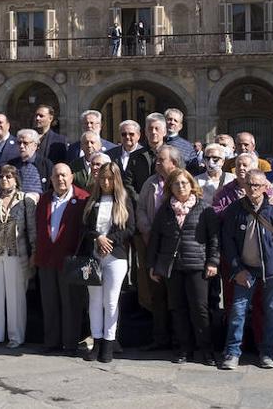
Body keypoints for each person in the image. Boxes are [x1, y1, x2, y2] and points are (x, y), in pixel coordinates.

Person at [220, 169, 273, 370]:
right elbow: (227, 242)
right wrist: (237, 269)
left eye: (257, 185)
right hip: (245, 271)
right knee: (237, 312)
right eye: (249, 184)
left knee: (271, 313)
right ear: (244, 186)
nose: (253, 189)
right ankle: (232, 353)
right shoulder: (235, 209)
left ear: (265, 187)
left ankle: (267, 353)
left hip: (271, 273)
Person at [148, 168, 219, 365]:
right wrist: (152, 265)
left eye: (184, 183)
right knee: (177, 308)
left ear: (191, 185)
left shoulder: (205, 208)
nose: (181, 187)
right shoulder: (165, 210)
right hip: (172, 265)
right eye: (176, 183)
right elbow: (155, 238)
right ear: (170, 187)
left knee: (200, 309)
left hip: (197, 265)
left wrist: (213, 261)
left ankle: (206, 350)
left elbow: (214, 238)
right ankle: (183, 349)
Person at [0, 164, 37, 349]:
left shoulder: (25, 199)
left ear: (16, 179)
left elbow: (32, 229)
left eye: (9, 176)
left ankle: (15, 337)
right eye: (2, 176)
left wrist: (35, 251)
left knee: (16, 296)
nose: (4, 180)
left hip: (16, 252)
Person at [81, 161, 131, 361]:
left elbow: (130, 228)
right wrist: (97, 238)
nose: (105, 182)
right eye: (102, 178)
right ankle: (97, 341)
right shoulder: (93, 201)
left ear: (116, 179)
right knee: (94, 300)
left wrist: (109, 240)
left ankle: (109, 344)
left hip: (115, 257)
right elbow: (83, 227)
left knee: (110, 302)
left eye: (109, 178)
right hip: (93, 257)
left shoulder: (124, 201)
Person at [136, 144, 183, 351]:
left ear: (173, 163)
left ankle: (179, 338)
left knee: (177, 295)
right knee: (157, 293)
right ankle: (160, 338)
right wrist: (146, 231)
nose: (156, 162)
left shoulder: (183, 181)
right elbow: (141, 210)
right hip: (152, 245)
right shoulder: (150, 183)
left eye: (160, 159)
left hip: (176, 247)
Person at [5, 128, 53, 200]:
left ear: (35, 145)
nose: (21, 146)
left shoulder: (46, 164)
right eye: (19, 143)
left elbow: (51, 188)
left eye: (25, 143)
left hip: (39, 205)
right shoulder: (12, 164)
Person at [115, 120, 152, 194]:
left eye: (131, 134)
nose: (127, 137)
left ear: (138, 135)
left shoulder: (146, 155)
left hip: (139, 199)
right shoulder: (110, 154)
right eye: (124, 134)